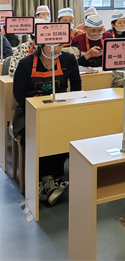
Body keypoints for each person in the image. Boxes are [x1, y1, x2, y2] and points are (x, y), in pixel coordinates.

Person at [13, 38, 81, 206]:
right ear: (41, 44)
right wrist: (37, 110)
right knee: (35, 134)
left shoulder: (69, 59)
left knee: (64, 132)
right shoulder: (26, 63)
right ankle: (46, 180)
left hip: (59, 110)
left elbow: (76, 88)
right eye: (52, 44)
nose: (56, 48)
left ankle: (48, 181)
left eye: (60, 44)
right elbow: (19, 94)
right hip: (29, 111)